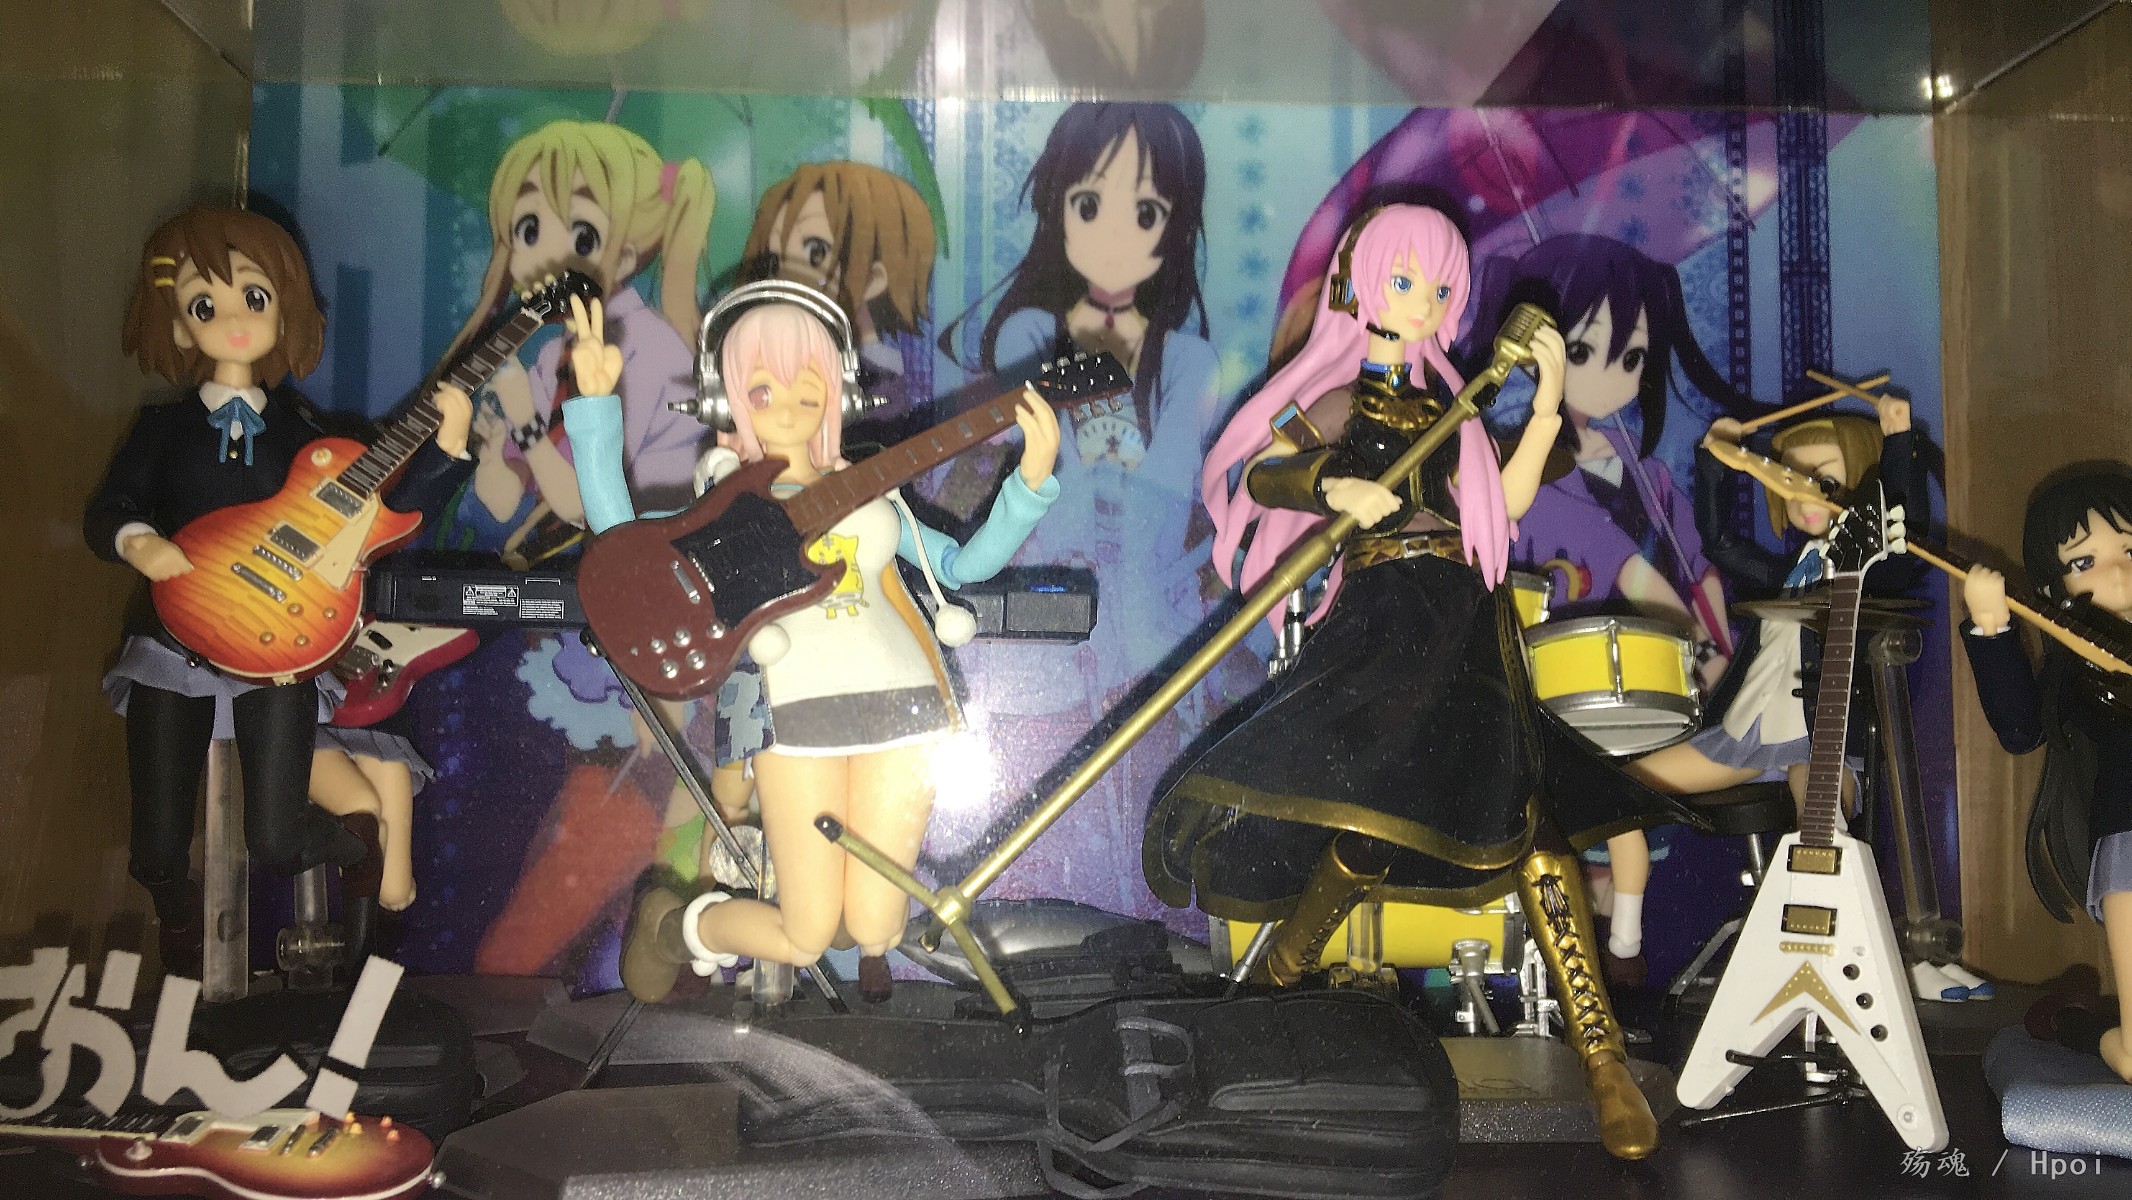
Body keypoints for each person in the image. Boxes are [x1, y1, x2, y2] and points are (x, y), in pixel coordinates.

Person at [1146, 204, 1683, 1161]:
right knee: (1363, 826)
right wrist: (1332, 487)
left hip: (1468, 621)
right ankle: (1265, 992)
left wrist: (1547, 406)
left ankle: (1601, 1057)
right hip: (1381, 619)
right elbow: (1262, 475)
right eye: (1406, 282)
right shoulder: (1341, 399)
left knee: (1530, 827)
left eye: (1440, 289)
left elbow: (1502, 505)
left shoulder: (1453, 412)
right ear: (1362, 281)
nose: (1424, 302)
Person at [550, 293, 1061, 1002]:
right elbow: (621, 541)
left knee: (877, 925)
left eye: (806, 386)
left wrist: (1029, 484)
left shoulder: (870, 490)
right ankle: (673, 929)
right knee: (807, 932)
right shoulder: (723, 505)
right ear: (732, 397)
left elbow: (961, 566)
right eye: (762, 389)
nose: (787, 405)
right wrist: (594, 408)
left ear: (834, 390)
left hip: (907, 708)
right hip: (796, 716)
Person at [86, 205, 471, 972]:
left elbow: (388, 514)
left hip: (281, 650)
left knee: (279, 840)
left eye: (253, 298)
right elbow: (108, 509)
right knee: (155, 847)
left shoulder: (310, 441)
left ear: (284, 307)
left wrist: (449, 444)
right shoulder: (162, 431)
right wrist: (138, 541)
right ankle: (175, 917)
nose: (233, 320)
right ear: (178, 325)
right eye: (205, 305)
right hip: (175, 642)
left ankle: (356, 843)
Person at [1466, 234, 1771, 977]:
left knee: (1631, 814)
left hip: (1650, 683)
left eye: (1632, 358)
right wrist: (1690, 625)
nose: (1611, 377)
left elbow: (1695, 562)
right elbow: (1618, 564)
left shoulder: (1651, 477)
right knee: (1592, 819)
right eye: (1585, 351)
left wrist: (1717, 642)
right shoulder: (1528, 471)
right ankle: (1598, 947)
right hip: (1561, 686)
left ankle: (1616, 940)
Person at [1962, 468, 2132, 1073]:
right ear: (2055, 585)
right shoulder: (2079, 670)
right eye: (2084, 562)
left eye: (2130, 550)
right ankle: (2077, 1026)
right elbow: (2021, 730)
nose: (2118, 573)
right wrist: (1991, 627)